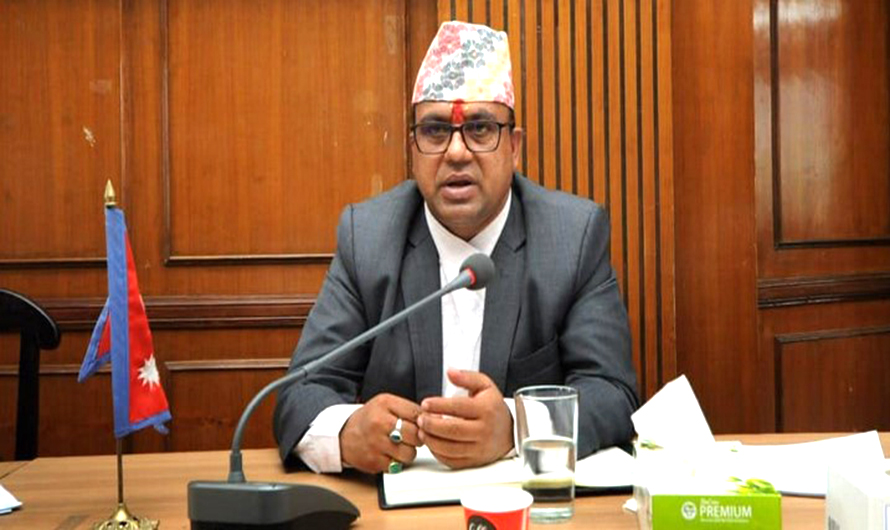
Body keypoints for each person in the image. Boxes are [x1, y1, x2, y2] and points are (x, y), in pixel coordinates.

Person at [273, 21, 639, 474]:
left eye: (480, 128)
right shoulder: (367, 237)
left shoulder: (571, 236)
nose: (457, 152)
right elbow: (299, 394)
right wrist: (347, 433)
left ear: (514, 148)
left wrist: (515, 427)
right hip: (400, 498)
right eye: (435, 131)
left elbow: (612, 392)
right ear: (413, 148)